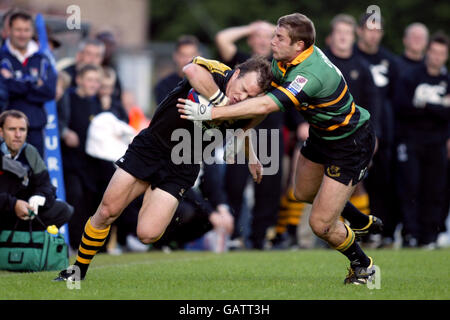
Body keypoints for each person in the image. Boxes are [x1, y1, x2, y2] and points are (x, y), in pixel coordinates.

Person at [178, 13, 383, 284]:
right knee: (302, 193)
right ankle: (357, 218)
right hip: (322, 136)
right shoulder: (284, 60)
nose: (271, 41)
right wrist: (249, 149)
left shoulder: (309, 74)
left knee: (321, 224)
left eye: (279, 37)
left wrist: (211, 112)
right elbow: (262, 102)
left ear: (298, 45)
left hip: (350, 142)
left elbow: (265, 106)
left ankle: (363, 266)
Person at [53, 55, 273, 281]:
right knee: (107, 211)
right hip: (150, 149)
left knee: (147, 235)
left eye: (250, 96)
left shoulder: (252, 108)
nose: (242, 97)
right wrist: (221, 104)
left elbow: (243, 129)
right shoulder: (219, 74)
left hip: (183, 164)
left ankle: (150, 192)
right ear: (236, 74)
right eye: (243, 89)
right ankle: (77, 270)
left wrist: (252, 157)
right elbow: (191, 70)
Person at [216, 20, 296, 249]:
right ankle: (233, 236)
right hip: (241, 132)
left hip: (271, 133)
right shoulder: (241, 62)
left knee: (269, 188)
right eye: (256, 37)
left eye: (267, 36)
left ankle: (260, 238)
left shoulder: (282, 65)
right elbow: (222, 38)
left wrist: (275, 29)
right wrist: (251, 27)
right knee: (235, 184)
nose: (261, 41)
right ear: (250, 39)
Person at [394, 32, 450, 249]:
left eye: (441, 54)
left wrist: (425, 105)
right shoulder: (410, 77)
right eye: (434, 52)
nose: (436, 57)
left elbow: (446, 115)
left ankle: (431, 235)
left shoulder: (446, 80)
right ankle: (410, 233)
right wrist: (439, 107)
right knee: (410, 188)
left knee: (435, 189)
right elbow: (403, 107)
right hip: (411, 140)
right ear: (428, 53)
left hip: (437, 143)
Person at [354, 13, 399, 247]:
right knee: (355, 182)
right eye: (370, 29)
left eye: (378, 30)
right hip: (354, 131)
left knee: (384, 182)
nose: (374, 34)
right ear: (360, 30)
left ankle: (382, 231)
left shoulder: (390, 62)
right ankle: (355, 232)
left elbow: (394, 100)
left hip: (383, 132)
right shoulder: (349, 57)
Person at [0, 110, 72, 231]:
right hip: (3, 209)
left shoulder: (30, 152)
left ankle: (23, 242)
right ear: (1, 132)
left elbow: (47, 186)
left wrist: (38, 198)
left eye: (22, 129)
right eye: (12, 129)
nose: (18, 134)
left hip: (23, 214)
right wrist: (13, 204)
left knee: (64, 210)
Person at [58, 64, 103, 251]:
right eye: (90, 80)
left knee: (90, 201)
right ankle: (71, 241)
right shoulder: (68, 99)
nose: (93, 84)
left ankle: (87, 243)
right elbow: (58, 122)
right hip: (70, 163)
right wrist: (65, 132)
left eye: (96, 81)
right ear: (79, 80)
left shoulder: (97, 103)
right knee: (75, 196)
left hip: (91, 164)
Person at [0, 11, 57, 157]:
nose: (22, 34)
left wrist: (15, 81)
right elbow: (5, 88)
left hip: (35, 127)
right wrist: (33, 83)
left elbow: (49, 91)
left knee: (36, 175)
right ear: (9, 31)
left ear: (32, 31)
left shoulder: (42, 59)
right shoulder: (2, 58)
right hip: (6, 129)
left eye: (26, 30)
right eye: (18, 30)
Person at [154, 35, 200, 105]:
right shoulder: (164, 86)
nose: (187, 60)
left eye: (191, 55)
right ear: (175, 56)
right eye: (183, 55)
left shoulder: (209, 82)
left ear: (199, 56)